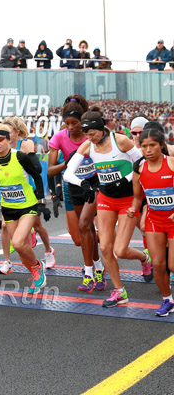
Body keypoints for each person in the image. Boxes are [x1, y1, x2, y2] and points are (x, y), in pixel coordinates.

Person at [63, 107, 149, 308]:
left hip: (127, 199)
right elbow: (68, 173)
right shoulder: (87, 146)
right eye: (86, 134)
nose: (89, 138)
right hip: (105, 199)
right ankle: (120, 291)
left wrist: (124, 180)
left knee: (121, 249)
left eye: (92, 133)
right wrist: (82, 183)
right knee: (105, 247)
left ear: (101, 129)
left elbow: (142, 163)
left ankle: (145, 259)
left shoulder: (121, 141)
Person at [0, 124, 47, 294]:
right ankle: (35, 273)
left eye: (0, 139)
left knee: (17, 242)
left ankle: (38, 268)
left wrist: (41, 201)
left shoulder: (20, 156)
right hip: (8, 209)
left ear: (8, 140)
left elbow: (36, 175)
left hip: (28, 206)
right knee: (20, 250)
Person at [48, 96, 105, 292]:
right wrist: (67, 163)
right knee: (80, 237)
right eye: (67, 123)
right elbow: (50, 170)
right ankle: (98, 265)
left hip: (94, 183)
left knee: (85, 225)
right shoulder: (59, 137)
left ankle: (90, 272)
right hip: (72, 185)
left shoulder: (93, 135)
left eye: (75, 123)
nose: (71, 127)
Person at [129, 129, 174, 316]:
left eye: (152, 145)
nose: (148, 149)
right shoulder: (139, 169)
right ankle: (167, 300)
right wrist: (133, 209)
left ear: (161, 145)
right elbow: (138, 199)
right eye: (144, 146)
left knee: (172, 265)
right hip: (154, 221)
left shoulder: (171, 163)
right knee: (158, 264)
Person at [2, 116, 56, 271]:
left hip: (28, 190)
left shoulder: (25, 144)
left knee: (38, 226)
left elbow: (36, 169)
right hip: (10, 192)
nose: (4, 136)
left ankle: (48, 251)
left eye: (8, 132)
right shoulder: (1, 146)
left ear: (17, 132)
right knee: (5, 225)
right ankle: (7, 261)